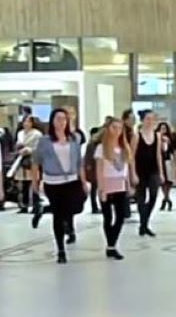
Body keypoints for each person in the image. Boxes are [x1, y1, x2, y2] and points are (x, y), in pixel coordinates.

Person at [31, 109, 89, 264]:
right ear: (52, 121)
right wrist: (35, 181)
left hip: (72, 180)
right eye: (58, 119)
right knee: (59, 215)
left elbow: (79, 162)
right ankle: (61, 249)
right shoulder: (44, 141)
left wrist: (84, 182)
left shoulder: (74, 139)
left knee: (76, 207)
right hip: (53, 182)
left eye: (64, 119)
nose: (62, 122)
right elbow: (36, 162)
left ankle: (44, 210)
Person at [96, 118, 136, 260]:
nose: (117, 131)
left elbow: (126, 169)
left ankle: (112, 244)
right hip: (107, 185)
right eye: (114, 127)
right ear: (108, 129)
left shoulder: (124, 148)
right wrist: (102, 189)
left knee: (120, 216)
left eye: (119, 128)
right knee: (108, 217)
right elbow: (99, 169)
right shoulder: (101, 148)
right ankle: (110, 245)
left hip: (121, 185)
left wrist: (129, 185)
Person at [132, 110, 163, 237]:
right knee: (141, 198)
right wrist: (132, 173)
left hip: (153, 171)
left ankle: (144, 222)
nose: (150, 122)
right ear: (142, 121)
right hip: (140, 171)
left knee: (153, 196)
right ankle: (143, 224)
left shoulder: (157, 136)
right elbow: (132, 156)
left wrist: (161, 172)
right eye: (148, 119)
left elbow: (158, 155)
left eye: (152, 119)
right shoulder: (137, 136)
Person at [14, 114, 42, 213]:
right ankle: (24, 205)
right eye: (25, 121)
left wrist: (29, 150)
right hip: (22, 160)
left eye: (29, 121)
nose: (26, 124)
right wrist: (19, 148)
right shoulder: (20, 133)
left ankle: (36, 205)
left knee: (34, 183)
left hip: (33, 160)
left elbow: (39, 148)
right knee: (24, 185)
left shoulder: (37, 134)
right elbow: (17, 144)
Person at [156, 122, 175, 211]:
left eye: (164, 128)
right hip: (160, 162)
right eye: (161, 128)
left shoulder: (170, 139)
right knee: (162, 182)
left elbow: (172, 151)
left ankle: (166, 199)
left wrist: (168, 142)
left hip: (168, 161)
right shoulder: (156, 138)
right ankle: (167, 199)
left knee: (168, 181)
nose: (163, 130)